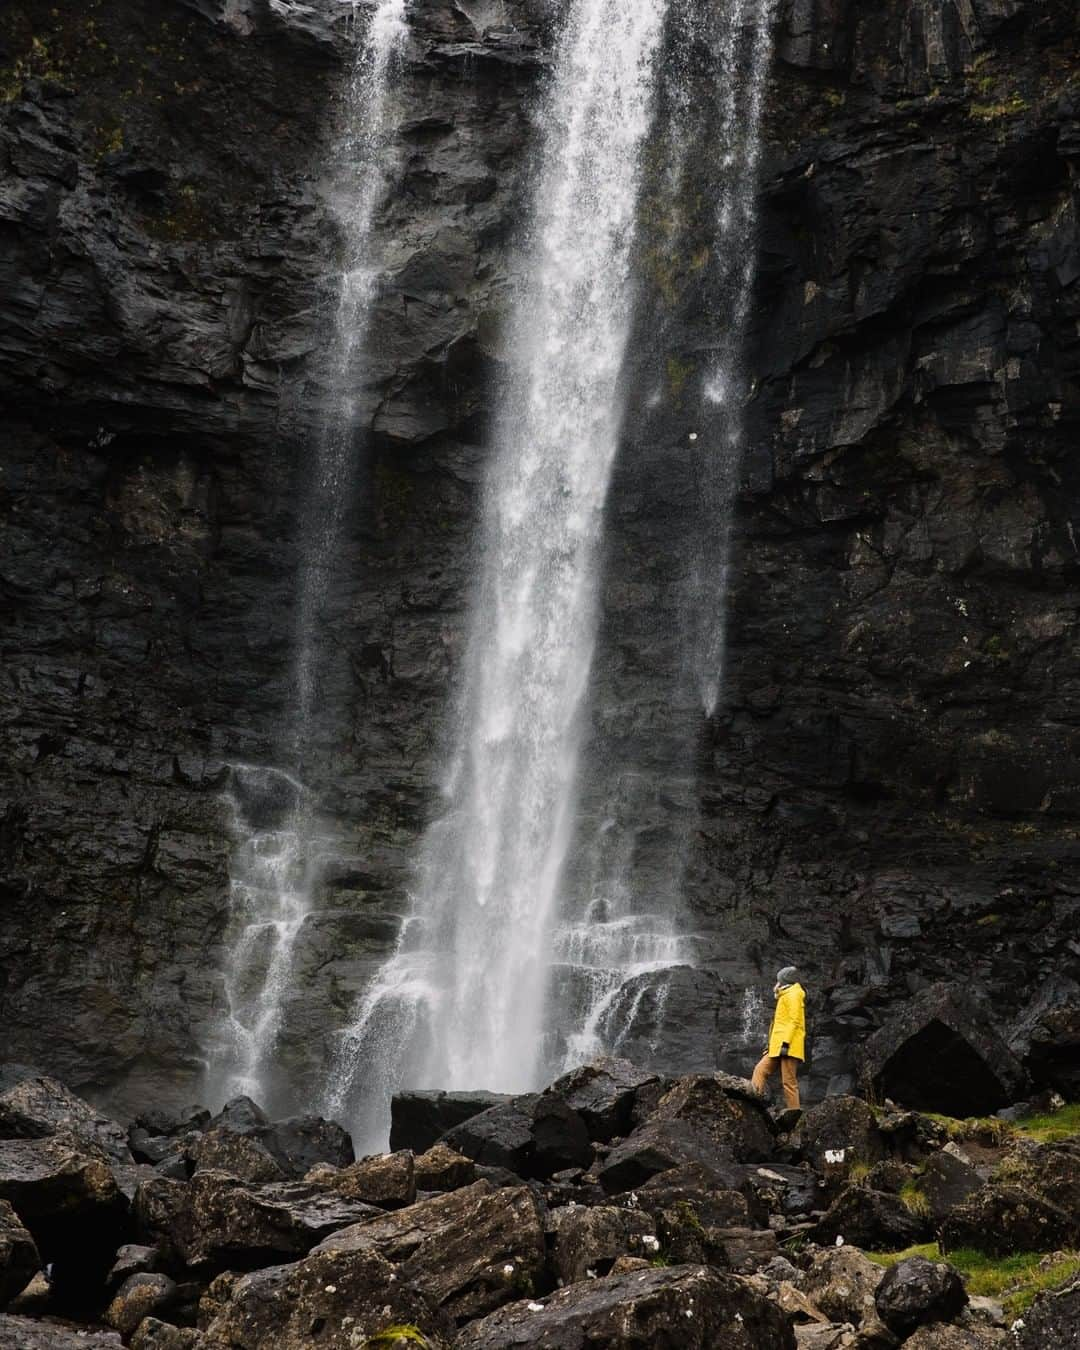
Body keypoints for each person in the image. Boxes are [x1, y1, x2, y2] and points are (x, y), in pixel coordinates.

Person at [751, 966, 806, 1110]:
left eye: (779, 980)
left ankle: (795, 1116)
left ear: (785, 980)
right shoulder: (785, 995)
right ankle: (752, 1104)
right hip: (777, 1046)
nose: (777, 983)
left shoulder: (794, 994)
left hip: (788, 1046)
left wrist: (785, 1043)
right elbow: (778, 1025)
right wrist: (770, 1045)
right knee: (760, 1070)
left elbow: (794, 1021)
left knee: (788, 1082)